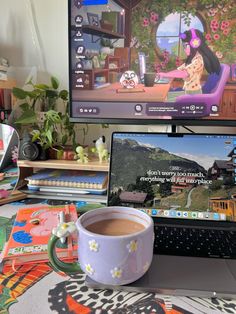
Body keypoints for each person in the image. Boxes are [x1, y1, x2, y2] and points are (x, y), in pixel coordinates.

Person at [159, 28, 221, 101]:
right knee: (165, 95)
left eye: (185, 46)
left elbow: (184, 73)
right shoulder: (191, 59)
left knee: (164, 98)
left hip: (194, 95)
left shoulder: (198, 59)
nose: (184, 49)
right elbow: (178, 70)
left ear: (194, 44)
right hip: (189, 92)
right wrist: (164, 74)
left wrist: (166, 75)